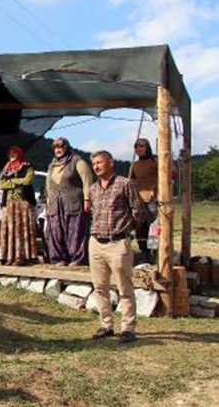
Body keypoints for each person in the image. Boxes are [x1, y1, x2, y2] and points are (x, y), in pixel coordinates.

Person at [88, 150, 142, 345]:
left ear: (110, 163)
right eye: (93, 163)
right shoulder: (93, 188)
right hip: (96, 243)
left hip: (118, 242)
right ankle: (106, 325)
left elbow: (137, 210)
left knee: (124, 287)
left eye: (99, 162)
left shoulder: (124, 184)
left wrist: (127, 232)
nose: (96, 166)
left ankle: (128, 328)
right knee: (99, 287)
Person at [44, 137, 93, 266]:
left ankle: (78, 259)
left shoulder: (78, 161)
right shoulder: (52, 165)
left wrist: (87, 199)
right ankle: (58, 259)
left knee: (75, 231)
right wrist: (48, 203)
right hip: (55, 203)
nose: (58, 150)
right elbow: (49, 186)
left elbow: (87, 181)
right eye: (55, 148)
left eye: (60, 147)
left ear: (66, 147)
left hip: (73, 202)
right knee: (54, 231)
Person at [0, 146, 37, 265]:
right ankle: (9, 256)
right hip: (9, 203)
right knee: (10, 230)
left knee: (22, 229)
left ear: (19, 153)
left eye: (14, 153)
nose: (12, 155)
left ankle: (21, 257)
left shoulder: (27, 166)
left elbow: (28, 180)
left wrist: (13, 182)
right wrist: (16, 183)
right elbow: (1, 185)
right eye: (10, 153)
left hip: (23, 202)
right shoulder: (6, 168)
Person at [129, 138, 158, 263]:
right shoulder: (135, 165)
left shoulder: (155, 160)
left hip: (154, 199)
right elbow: (131, 181)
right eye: (136, 146)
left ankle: (156, 252)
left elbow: (170, 174)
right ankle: (144, 253)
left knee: (154, 227)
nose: (138, 148)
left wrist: (157, 189)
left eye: (141, 145)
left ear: (148, 147)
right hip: (139, 200)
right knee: (140, 228)